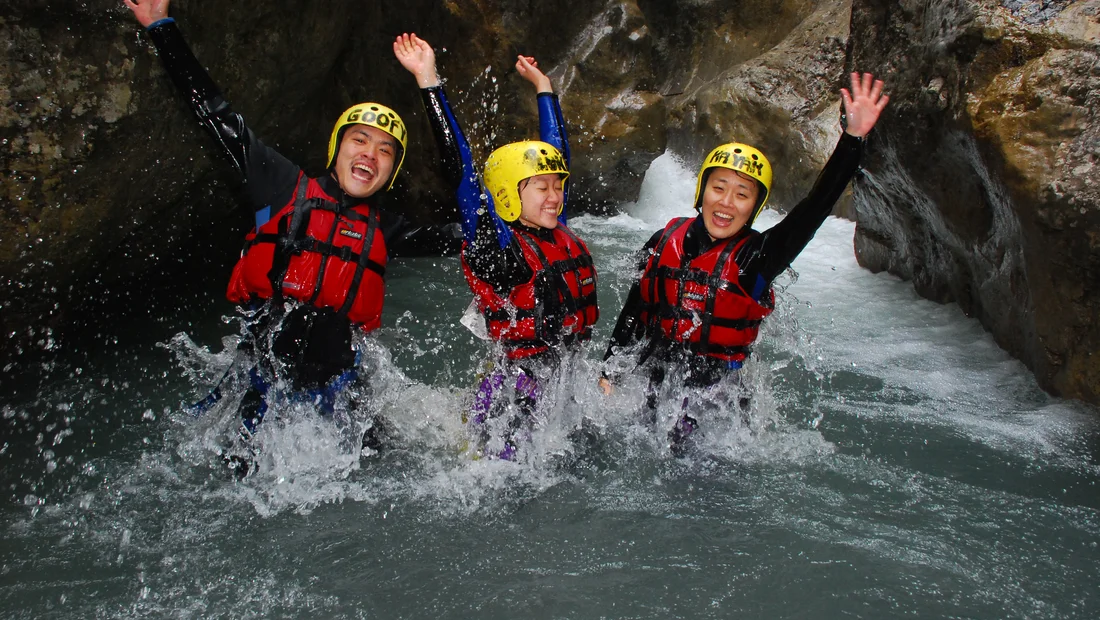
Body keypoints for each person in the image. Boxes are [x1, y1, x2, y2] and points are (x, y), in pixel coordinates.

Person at [124, 1, 460, 474]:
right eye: (359, 140)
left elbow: (470, 234)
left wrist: (430, 82)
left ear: (391, 172)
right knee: (237, 476)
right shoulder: (283, 187)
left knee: (383, 469)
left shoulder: (386, 229)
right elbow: (216, 114)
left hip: (343, 387)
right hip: (265, 380)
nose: (370, 153)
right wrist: (161, 28)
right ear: (337, 148)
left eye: (386, 150)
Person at [601, 72, 889, 455]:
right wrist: (609, 372)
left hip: (715, 410)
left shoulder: (757, 258)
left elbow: (813, 210)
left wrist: (852, 141)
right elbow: (636, 309)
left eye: (742, 194)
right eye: (718, 188)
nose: (726, 203)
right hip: (654, 389)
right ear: (702, 191)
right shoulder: (662, 240)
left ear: (755, 208)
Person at [394, 34, 598, 460]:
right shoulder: (500, 247)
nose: (555, 195)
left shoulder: (553, 230)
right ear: (509, 194)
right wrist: (428, 81)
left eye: (558, 187)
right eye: (541, 187)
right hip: (513, 397)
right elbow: (461, 168)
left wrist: (545, 89)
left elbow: (557, 152)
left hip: (560, 384)